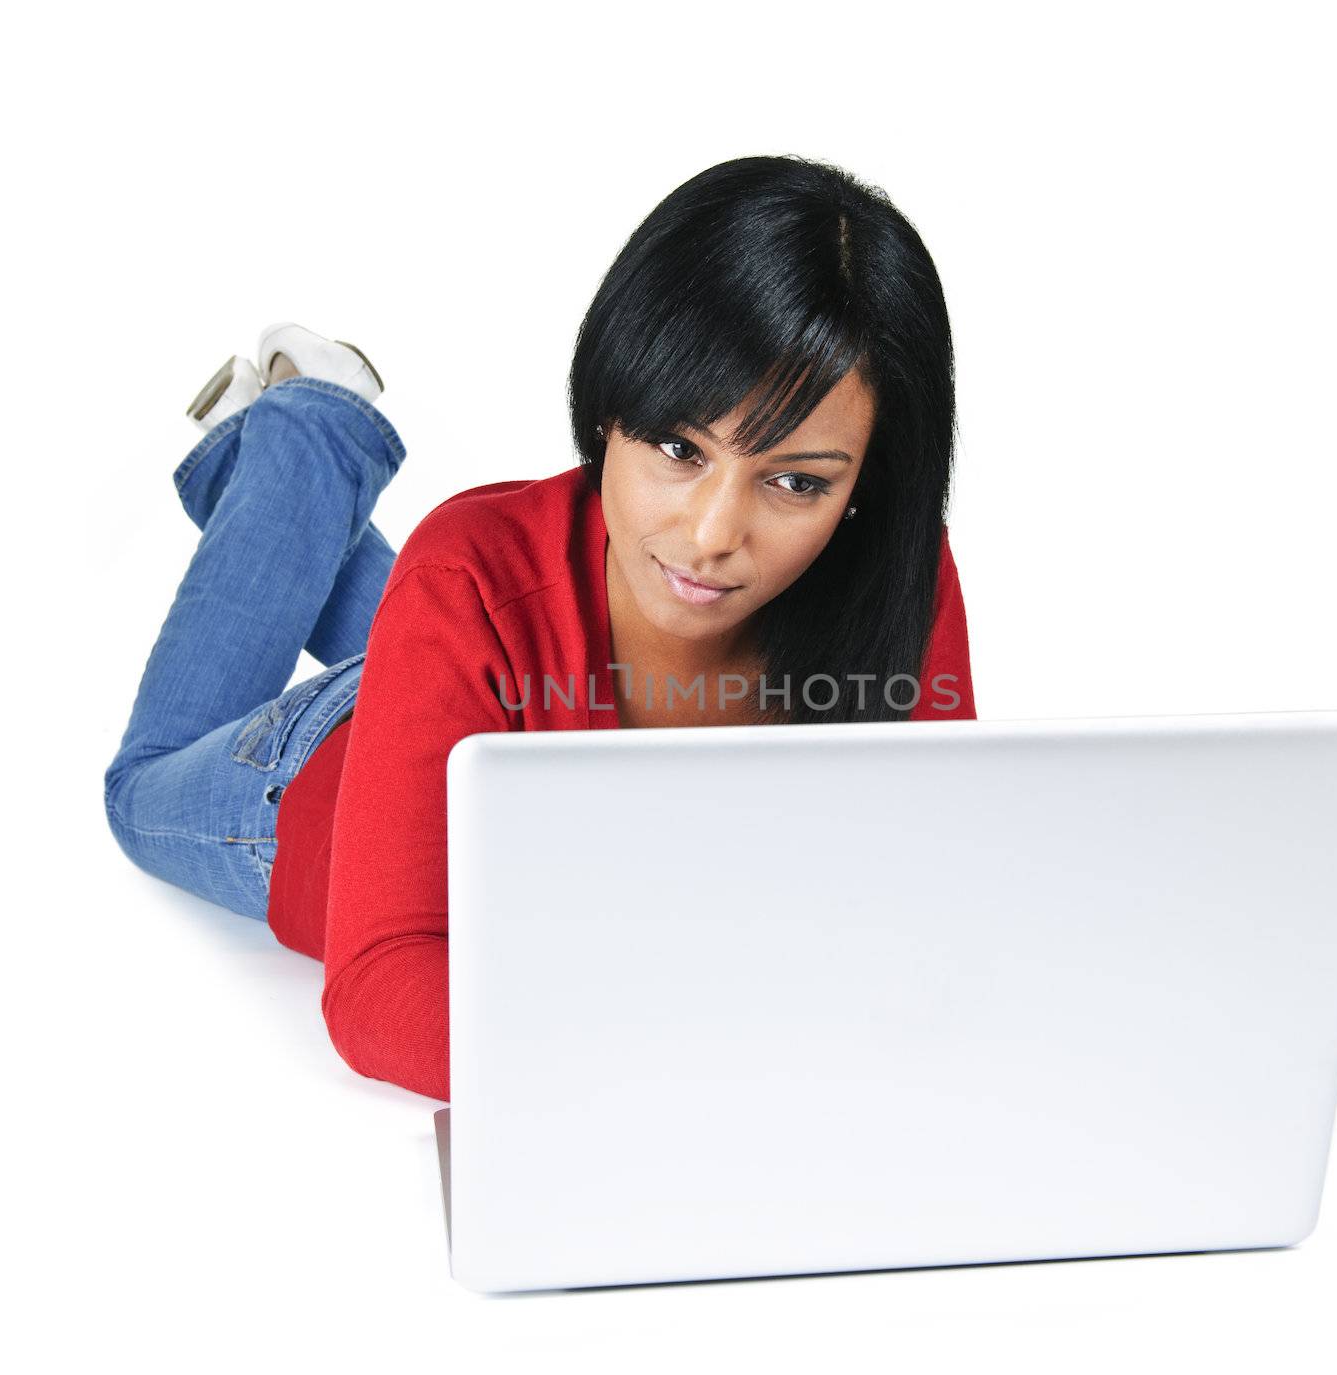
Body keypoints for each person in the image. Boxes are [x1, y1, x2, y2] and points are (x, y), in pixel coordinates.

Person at [103, 154, 978, 1102]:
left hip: (473, 667)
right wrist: (678, 1074)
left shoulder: (894, 577)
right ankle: (307, 437)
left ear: (866, 485)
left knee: (456, 616)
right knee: (137, 789)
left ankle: (316, 505)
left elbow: (925, 906)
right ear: (611, 410)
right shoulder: (472, 575)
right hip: (318, 786)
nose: (714, 535)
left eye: (798, 481)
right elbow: (377, 987)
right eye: (680, 448)